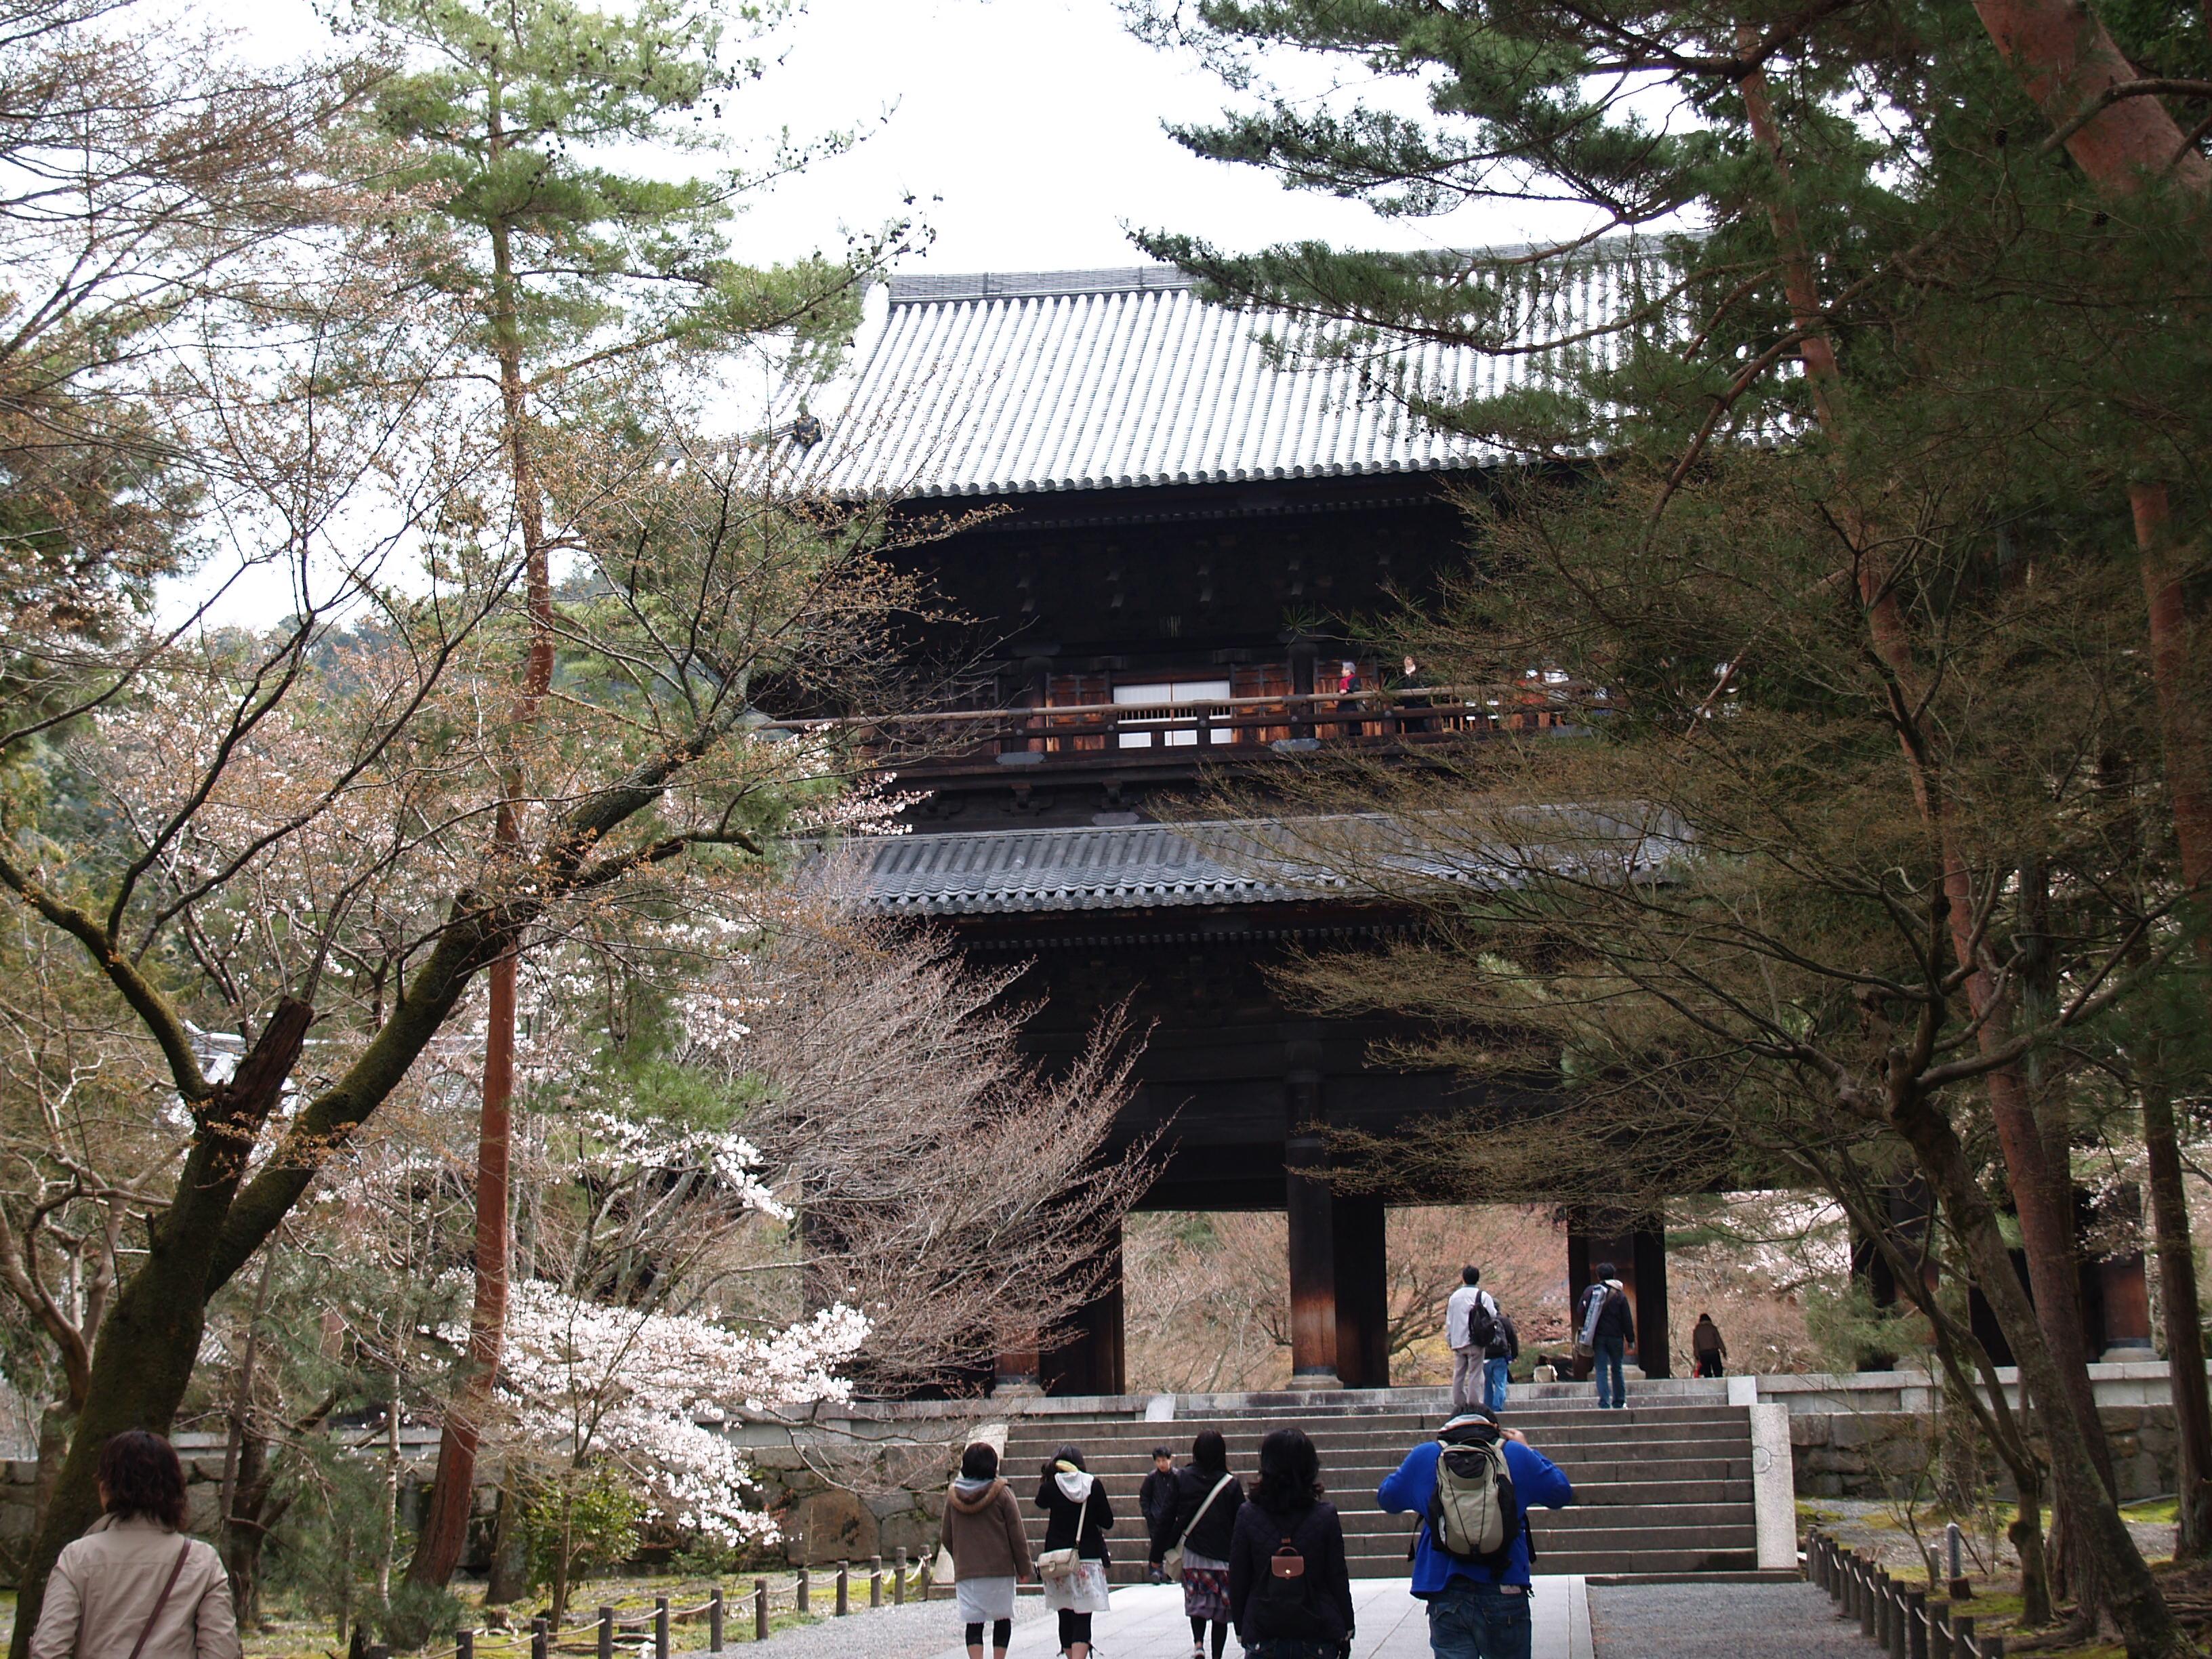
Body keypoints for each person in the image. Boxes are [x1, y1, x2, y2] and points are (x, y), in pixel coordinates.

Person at [1377, 1406, 1574, 1659]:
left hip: (1446, 1589)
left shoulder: (1426, 1455)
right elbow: (1561, 1492)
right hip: (1505, 1583)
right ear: (1495, 1429)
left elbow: (1387, 1498)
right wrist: (1527, 1449)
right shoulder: (1514, 1454)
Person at [30, 1430, 241, 1659]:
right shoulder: (202, 1561)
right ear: (177, 1489)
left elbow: (49, 1650)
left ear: (105, 1489)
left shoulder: (78, 1557)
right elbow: (223, 1652)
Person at [1227, 1427, 1353, 1659]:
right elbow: (1336, 1576)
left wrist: (1241, 1626)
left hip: (1264, 1629)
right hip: (1317, 1628)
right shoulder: (1325, 1516)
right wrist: (1347, 1624)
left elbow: (1238, 1577)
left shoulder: (1247, 1515)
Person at [1151, 1429, 1245, 1659]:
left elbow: (1166, 1516)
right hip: (1223, 1556)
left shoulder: (1182, 1477)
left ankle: (1198, 1644)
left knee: (1197, 1602)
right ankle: (1217, 1655)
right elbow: (1242, 1522)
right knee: (1221, 1610)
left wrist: (1156, 1554)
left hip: (1193, 1553)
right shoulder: (1230, 1484)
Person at [939, 1442, 1032, 1659]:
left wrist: (961, 1558)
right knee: (1002, 1620)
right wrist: (1024, 1568)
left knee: (974, 1624)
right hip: (1000, 1571)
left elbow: (946, 1536)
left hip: (968, 1574)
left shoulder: (953, 1498)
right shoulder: (1003, 1494)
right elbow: (1017, 1535)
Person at [1036, 1445, 1112, 1659]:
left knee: (1065, 1614)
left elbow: (1040, 1502)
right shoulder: (1093, 1485)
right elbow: (1108, 1521)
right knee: (1083, 1617)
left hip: (1059, 1561)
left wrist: (1049, 1475)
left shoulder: (1051, 1487)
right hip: (1087, 1558)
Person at [1446, 1266, 1503, 1413]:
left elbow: (1449, 1320)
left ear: (1463, 1278)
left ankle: (1459, 1403)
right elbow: (1493, 1314)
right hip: (1475, 1340)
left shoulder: (1454, 1297)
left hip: (1458, 1341)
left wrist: (1450, 1339)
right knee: (1475, 1373)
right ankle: (1474, 1403)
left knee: (1459, 1373)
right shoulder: (1482, 1296)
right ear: (1477, 1278)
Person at [1578, 1263, 1635, 1410]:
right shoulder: (1620, 1295)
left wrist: (1586, 1328)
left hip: (1598, 1337)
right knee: (1617, 1369)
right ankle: (1619, 1401)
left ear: (1598, 1276)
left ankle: (1604, 1402)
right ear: (1613, 1275)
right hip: (1616, 1337)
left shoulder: (1591, 1292)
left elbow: (1580, 1311)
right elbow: (1627, 1319)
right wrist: (1630, 1339)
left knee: (1601, 1370)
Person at [1140, 1446, 1179, 1583]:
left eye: (1164, 1460)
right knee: (1156, 1544)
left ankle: (1171, 1573)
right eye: (1158, 1461)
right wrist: (1148, 1514)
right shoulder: (1151, 1478)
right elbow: (1145, 1497)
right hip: (1156, 1517)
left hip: (1173, 1518)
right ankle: (1156, 1571)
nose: (1161, 1464)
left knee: (1173, 1547)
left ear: (1170, 1460)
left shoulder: (1177, 1476)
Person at [1693, 1313, 1728, 1378]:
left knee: (1707, 1372)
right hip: (1714, 1352)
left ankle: (1709, 1382)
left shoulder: (1697, 1330)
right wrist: (1723, 1350)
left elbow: (1696, 1344)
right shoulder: (1712, 1328)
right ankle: (1719, 1382)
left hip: (1703, 1354)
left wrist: (1697, 1355)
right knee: (1718, 1371)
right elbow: (1719, 1340)